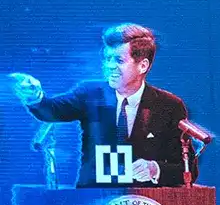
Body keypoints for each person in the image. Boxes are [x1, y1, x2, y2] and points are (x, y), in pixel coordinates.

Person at [10, 23, 193, 186]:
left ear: (142, 66)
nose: (109, 66)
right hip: (92, 202)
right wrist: (35, 97)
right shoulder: (90, 93)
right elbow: (52, 110)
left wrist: (155, 169)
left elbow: (188, 170)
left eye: (119, 60)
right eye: (107, 59)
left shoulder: (169, 106)